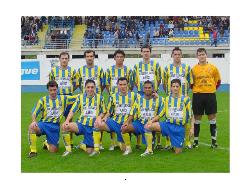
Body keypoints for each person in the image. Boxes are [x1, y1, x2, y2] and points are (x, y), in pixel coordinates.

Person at [27, 81, 77, 158]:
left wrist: (88, 93)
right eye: (51, 90)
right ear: (48, 90)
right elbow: (34, 112)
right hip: (43, 124)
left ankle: (46, 143)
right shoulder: (43, 100)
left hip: (55, 127)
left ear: (57, 89)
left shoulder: (64, 98)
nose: (53, 92)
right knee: (31, 127)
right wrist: (34, 121)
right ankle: (33, 151)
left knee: (53, 151)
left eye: (54, 89)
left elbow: (77, 97)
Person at [144, 79, 192, 155]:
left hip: (179, 128)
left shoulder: (186, 99)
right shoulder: (167, 99)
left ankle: (174, 144)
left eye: (177, 86)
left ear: (180, 87)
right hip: (167, 125)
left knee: (177, 153)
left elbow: (191, 115)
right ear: (171, 88)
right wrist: (151, 121)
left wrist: (192, 128)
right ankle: (149, 150)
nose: (175, 88)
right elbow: (161, 114)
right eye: (173, 86)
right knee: (148, 126)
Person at [61, 79, 106, 157]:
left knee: (89, 151)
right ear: (85, 88)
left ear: (95, 88)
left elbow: (103, 111)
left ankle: (83, 145)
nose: (90, 89)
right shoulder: (80, 98)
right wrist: (67, 120)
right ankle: (68, 150)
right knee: (65, 126)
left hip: (92, 127)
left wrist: (99, 117)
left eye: (92, 87)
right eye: (88, 87)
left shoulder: (100, 98)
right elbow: (72, 111)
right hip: (81, 125)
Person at [94, 77, 138, 155]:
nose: (122, 86)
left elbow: (144, 102)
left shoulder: (134, 96)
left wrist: (156, 96)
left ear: (127, 85)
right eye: (120, 84)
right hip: (115, 122)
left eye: (124, 84)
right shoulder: (113, 96)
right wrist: (104, 118)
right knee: (97, 124)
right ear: (117, 85)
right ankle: (96, 149)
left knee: (123, 149)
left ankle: (126, 146)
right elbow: (109, 111)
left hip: (127, 123)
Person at [121, 80, 164, 156]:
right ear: (143, 89)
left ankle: (150, 146)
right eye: (146, 88)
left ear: (153, 89)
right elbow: (132, 112)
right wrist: (127, 122)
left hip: (150, 125)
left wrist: (152, 121)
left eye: (149, 88)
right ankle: (128, 148)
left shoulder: (158, 99)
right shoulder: (139, 99)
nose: (147, 89)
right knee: (124, 128)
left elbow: (160, 114)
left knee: (151, 147)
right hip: (139, 123)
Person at [132, 44, 162, 149]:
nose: (146, 53)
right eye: (144, 51)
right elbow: (135, 81)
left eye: (147, 51)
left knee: (154, 117)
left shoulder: (155, 65)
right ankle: (139, 142)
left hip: (153, 94)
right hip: (141, 94)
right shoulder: (137, 66)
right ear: (141, 53)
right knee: (140, 117)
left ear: (150, 52)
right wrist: (142, 90)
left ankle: (157, 142)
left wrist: (154, 91)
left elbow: (159, 79)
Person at [163, 47, 193, 149]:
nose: (177, 56)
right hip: (170, 98)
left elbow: (190, 82)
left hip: (183, 98)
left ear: (181, 55)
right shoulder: (167, 68)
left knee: (186, 119)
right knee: (168, 119)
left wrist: (186, 94)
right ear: (172, 56)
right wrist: (168, 94)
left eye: (179, 54)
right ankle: (168, 142)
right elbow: (164, 83)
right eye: (175, 54)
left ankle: (188, 141)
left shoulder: (187, 68)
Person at [191, 48, 221, 148]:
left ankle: (214, 142)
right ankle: (195, 142)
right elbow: (191, 83)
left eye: (203, 54)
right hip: (198, 95)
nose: (201, 56)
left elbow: (218, 81)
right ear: (197, 56)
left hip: (210, 95)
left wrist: (211, 89)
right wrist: (198, 89)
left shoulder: (213, 68)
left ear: (206, 55)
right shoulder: (194, 69)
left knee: (212, 118)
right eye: (199, 55)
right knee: (197, 118)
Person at [76, 49, 105, 149]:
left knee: (99, 120)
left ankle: (99, 143)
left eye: (91, 56)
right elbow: (79, 84)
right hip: (85, 100)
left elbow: (103, 83)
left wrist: (98, 93)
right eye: (87, 56)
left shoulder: (99, 69)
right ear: (85, 58)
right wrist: (85, 94)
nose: (89, 58)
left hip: (97, 100)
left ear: (94, 57)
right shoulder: (80, 70)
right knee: (86, 120)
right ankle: (86, 141)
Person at [105, 50, 133, 150]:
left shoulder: (128, 71)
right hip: (114, 99)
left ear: (124, 58)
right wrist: (112, 94)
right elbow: (107, 84)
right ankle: (113, 143)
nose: (119, 58)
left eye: (121, 57)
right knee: (113, 119)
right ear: (114, 58)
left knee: (127, 119)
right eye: (118, 56)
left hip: (126, 99)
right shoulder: (109, 70)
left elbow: (131, 85)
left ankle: (125, 141)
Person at [49, 51, 77, 149]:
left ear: (68, 59)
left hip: (69, 98)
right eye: (62, 58)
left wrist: (70, 90)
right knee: (54, 120)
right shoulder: (53, 71)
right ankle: (49, 141)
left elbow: (76, 83)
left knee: (69, 120)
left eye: (66, 58)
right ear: (59, 59)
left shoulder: (72, 71)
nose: (64, 60)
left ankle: (70, 142)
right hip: (58, 99)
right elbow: (51, 84)